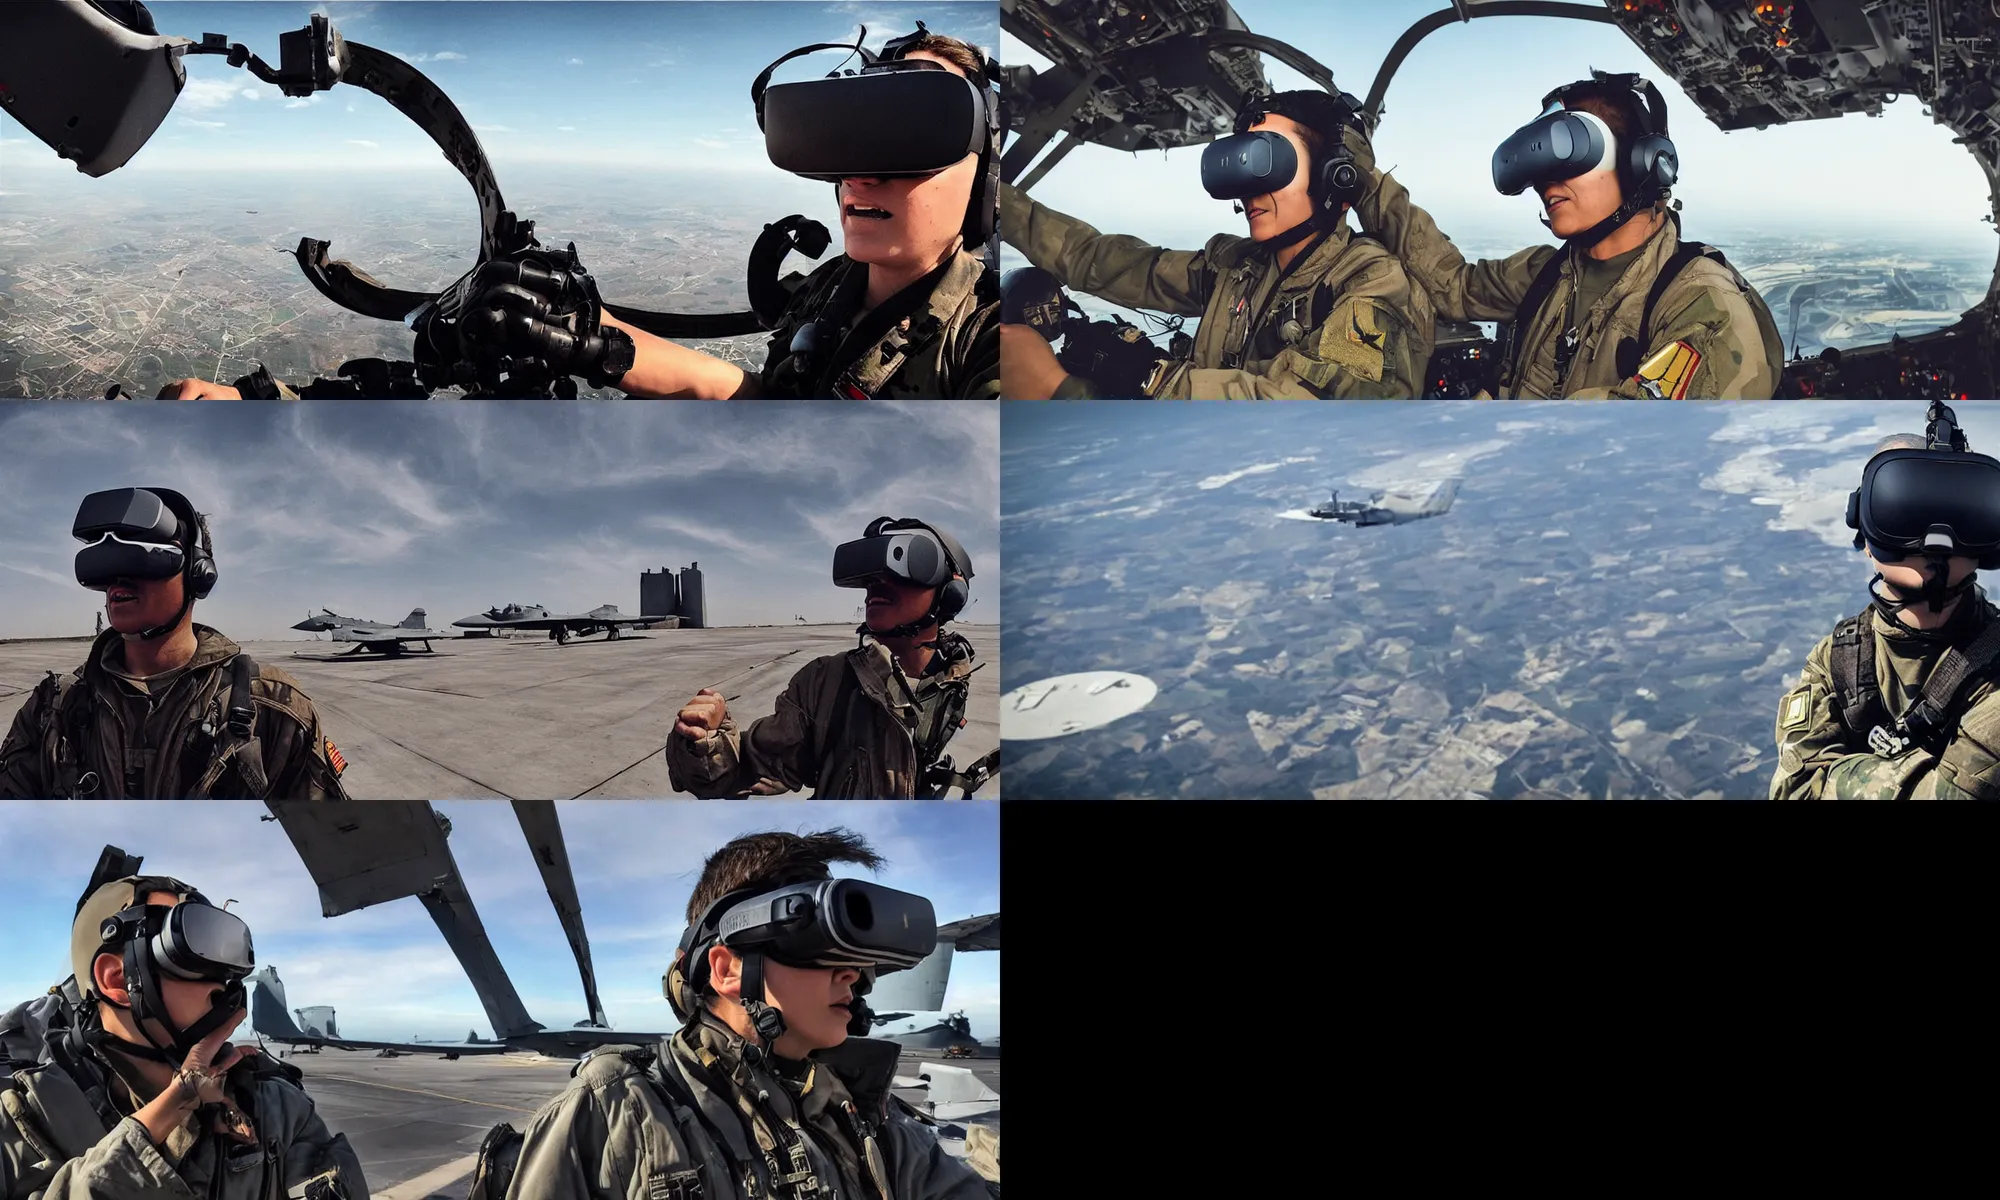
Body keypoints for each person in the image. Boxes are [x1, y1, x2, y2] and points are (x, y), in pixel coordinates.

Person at [158, 26, 999, 402]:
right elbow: (754, 398)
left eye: (914, 135)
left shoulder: (990, 343)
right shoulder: (834, 292)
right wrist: (591, 340)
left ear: (983, 173)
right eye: (854, 139)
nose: (862, 177)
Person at [496, 828, 995, 1200]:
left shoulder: (868, 1119)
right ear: (727, 969)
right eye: (814, 944)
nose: (851, 975)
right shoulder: (613, 1112)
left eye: (855, 958)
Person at [1343, 70, 1783, 399]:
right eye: (1540, 167)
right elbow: (1451, 284)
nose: (1545, 183)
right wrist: (1362, 181)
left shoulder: (1701, 304)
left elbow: (1653, 451)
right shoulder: (1547, 271)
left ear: (1641, 162)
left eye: (1571, 154)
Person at [999, 89, 1434, 399]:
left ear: (1331, 176)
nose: (1249, 191)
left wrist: (1141, 378)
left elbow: (1304, 416)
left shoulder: (1371, 284)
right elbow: (1096, 260)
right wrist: (993, 199)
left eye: (1270, 164)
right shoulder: (1237, 268)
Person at [0, 853, 368, 1200]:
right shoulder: (21, 1123)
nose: (225, 981)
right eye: (194, 945)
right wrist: (165, 1116)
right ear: (117, 979)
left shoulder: (277, 1109)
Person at [0, 488, 350, 800]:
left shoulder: (275, 708)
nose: (118, 580)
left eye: (140, 559)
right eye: (107, 564)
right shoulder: (52, 709)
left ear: (199, 572)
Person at [668, 518, 989, 799]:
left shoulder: (953, 675)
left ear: (950, 592)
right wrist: (706, 743)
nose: (877, 584)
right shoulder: (827, 684)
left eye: (906, 568)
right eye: (872, 577)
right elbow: (748, 769)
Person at [1772, 412, 2000, 799]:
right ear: (1866, 533)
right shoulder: (1839, 660)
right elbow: (1794, 789)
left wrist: (1847, 777)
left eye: (1958, 511)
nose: (1934, 540)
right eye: (1903, 510)